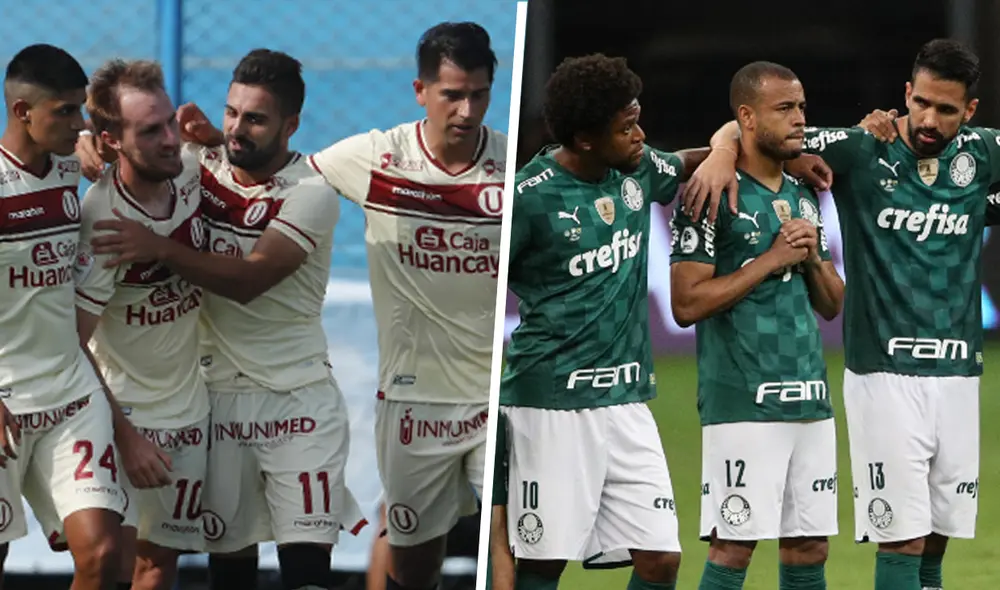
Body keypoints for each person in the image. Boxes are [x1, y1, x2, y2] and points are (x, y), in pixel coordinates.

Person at [699, 39, 1000, 590]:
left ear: (970, 110)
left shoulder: (983, 153)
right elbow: (758, 129)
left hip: (960, 373)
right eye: (921, 102)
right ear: (906, 93)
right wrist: (721, 150)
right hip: (884, 372)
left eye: (946, 109)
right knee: (902, 536)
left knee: (939, 536)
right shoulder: (863, 148)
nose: (929, 120)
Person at [84, 49, 366, 590]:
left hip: (297, 401)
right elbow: (130, 142)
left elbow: (247, 282)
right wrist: (88, 143)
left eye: (255, 119)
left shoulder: (311, 194)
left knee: (307, 573)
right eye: (231, 112)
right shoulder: (196, 164)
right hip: (216, 404)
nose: (237, 128)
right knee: (228, 573)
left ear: (291, 126)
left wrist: (158, 247)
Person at [499, 52, 735, 590]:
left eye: (638, 120)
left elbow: (694, 156)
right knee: (543, 563)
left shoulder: (637, 170)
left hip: (627, 404)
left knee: (661, 560)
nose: (640, 136)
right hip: (550, 404)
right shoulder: (529, 199)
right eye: (626, 128)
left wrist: (724, 151)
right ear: (585, 139)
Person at [670, 61, 844, 590]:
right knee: (734, 544)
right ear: (746, 117)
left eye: (802, 107)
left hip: (809, 397)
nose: (800, 119)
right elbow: (686, 303)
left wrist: (811, 260)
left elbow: (833, 305)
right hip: (743, 400)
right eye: (785, 108)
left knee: (809, 545)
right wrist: (770, 260)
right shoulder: (710, 192)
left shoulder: (802, 195)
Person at [0, 43, 144, 590]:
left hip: (70, 394)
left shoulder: (67, 168)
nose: (79, 122)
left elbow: (130, 148)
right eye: (64, 111)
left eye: (80, 109)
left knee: (103, 554)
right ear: (22, 112)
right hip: (6, 400)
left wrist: (88, 144)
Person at [70, 58, 209, 590]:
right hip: (122, 416)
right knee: (108, 565)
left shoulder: (192, 170)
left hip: (190, 413)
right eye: (151, 131)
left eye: (170, 122)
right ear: (112, 141)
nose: (171, 140)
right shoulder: (104, 220)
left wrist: (215, 137)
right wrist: (125, 438)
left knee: (159, 565)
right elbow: (73, 344)